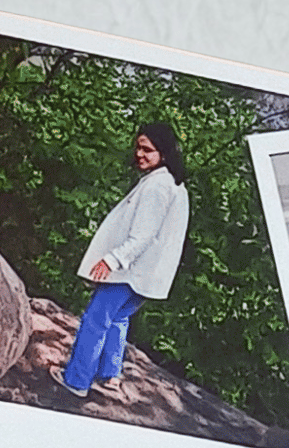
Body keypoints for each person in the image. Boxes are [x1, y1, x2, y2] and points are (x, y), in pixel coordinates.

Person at [60, 120, 191, 400]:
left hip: (131, 270)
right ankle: (109, 377)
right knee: (118, 319)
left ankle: (77, 380)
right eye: (138, 147)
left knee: (96, 320)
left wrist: (112, 260)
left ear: (164, 154)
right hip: (146, 273)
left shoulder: (158, 186)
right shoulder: (170, 184)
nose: (140, 154)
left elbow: (142, 236)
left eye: (148, 149)